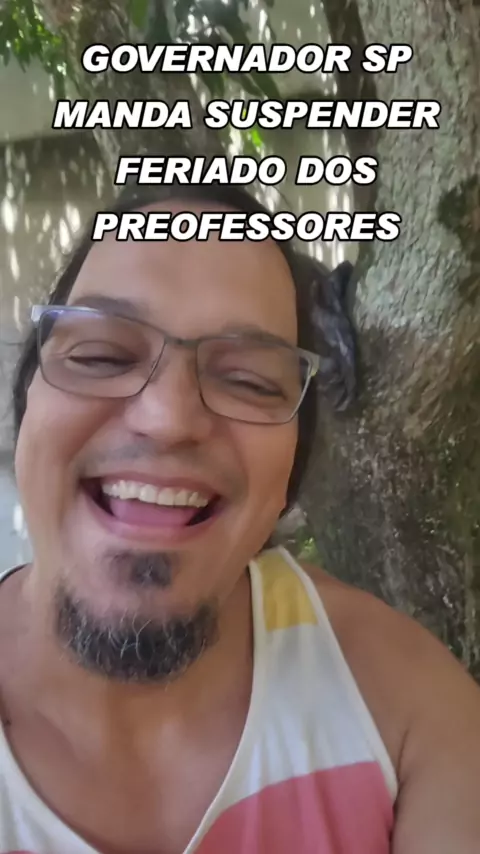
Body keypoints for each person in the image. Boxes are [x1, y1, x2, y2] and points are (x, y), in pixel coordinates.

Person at [0, 184, 479, 854]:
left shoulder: (403, 709)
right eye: (102, 356)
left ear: (290, 472)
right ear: (29, 407)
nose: (168, 419)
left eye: (250, 381)